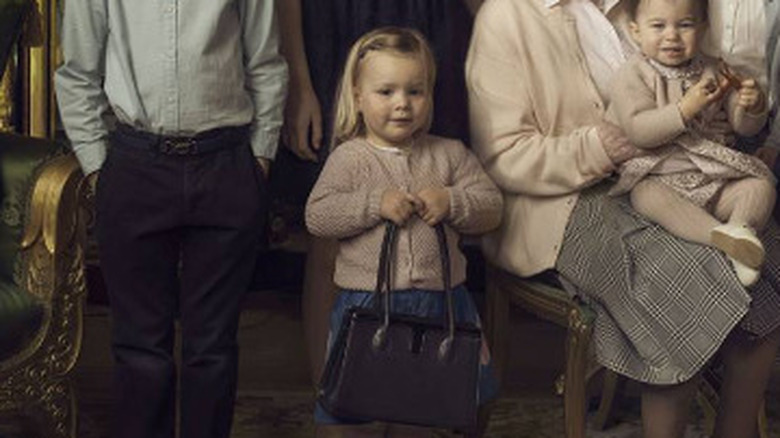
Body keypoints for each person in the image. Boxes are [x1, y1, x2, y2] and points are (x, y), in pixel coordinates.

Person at [466, 0, 780, 437]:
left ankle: (736, 429)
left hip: (667, 177)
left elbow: (702, 92)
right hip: (560, 199)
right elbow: (501, 155)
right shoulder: (507, 17)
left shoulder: (646, 6)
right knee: (683, 276)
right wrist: (595, 149)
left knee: (770, 255)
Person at [54, 1, 287, 437]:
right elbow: (77, 75)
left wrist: (260, 159)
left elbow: (266, 65)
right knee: (140, 348)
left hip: (226, 164)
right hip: (135, 164)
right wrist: (99, 169)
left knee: (213, 349)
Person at [306, 27, 502, 438]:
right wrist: (373, 203)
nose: (402, 105)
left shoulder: (449, 154)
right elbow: (319, 216)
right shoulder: (350, 159)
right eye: (386, 92)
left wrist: (452, 201)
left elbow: (491, 208)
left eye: (415, 91)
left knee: (441, 404)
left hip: (444, 302)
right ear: (358, 97)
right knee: (350, 409)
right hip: (367, 304)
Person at [276, 0, 484, 388]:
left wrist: (499, 29)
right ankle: (333, 401)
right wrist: (299, 86)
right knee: (330, 245)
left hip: (429, 23)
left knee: (431, 214)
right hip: (338, 27)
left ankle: (420, 399)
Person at [606, 0, 776, 287]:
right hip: (662, 174)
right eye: (658, 26)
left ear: (703, 28)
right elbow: (638, 131)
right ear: (636, 31)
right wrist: (684, 109)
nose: (672, 35)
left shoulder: (713, 69)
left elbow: (741, 127)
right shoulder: (632, 74)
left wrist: (752, 107)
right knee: (644, 196)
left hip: (714, 177)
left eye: (684, 25)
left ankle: (740, 228)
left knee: (761, 186)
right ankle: (722, 239)